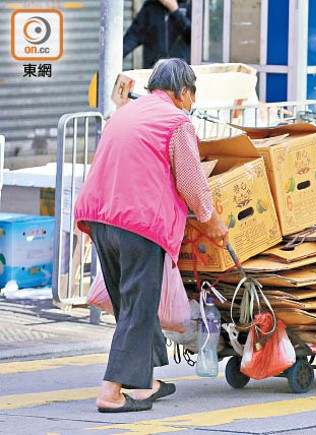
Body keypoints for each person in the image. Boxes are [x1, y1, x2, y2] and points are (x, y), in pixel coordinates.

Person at [74, 58, 228, 413]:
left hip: (100, 218)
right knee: (139, 309)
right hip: (138, 224)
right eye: (192, 95)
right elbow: (191, 182)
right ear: (182, 91)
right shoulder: (177, 123)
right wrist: (212, 220)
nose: (192, 103)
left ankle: (144, 383)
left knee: (131, 305)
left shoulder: (125, 113)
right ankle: (110, 393)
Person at [123, 0, 191, 68]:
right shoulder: (149, 7)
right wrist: (114, 58)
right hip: (153, 71)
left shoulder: (189, 5)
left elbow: (194, 36)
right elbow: (132, 37)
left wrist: (175, 10)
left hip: (182, 71)